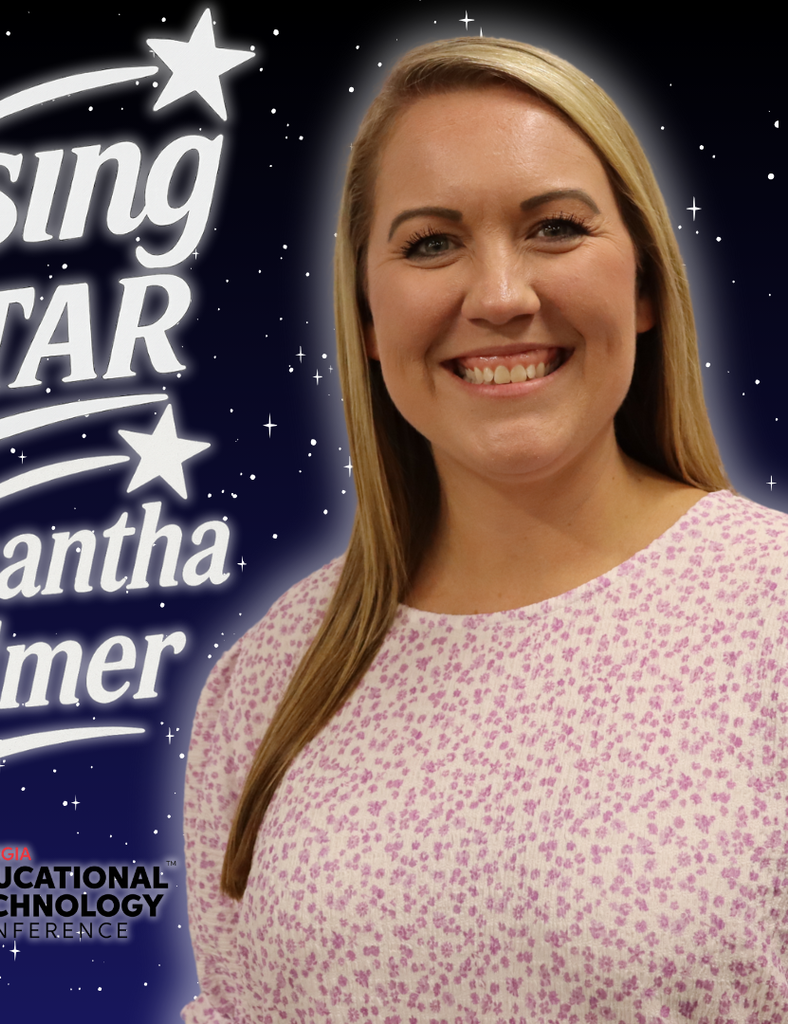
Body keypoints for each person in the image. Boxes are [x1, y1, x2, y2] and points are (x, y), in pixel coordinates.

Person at [182, 36, 788, 1023]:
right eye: (429, 243)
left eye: (553, 227)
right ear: (368, 317)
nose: (501, 296)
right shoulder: (268, 678)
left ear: (641, 284)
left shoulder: (771, 612)